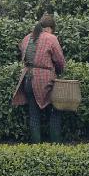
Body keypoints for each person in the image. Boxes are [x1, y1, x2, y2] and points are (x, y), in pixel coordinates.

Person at [11, 13, 66, 143]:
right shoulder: (51, 38)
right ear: (50, 28)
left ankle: (37, 147)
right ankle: (56, 146)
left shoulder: (27, 38)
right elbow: (60, 61)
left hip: (27, 79)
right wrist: (59, 71)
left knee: (34, 114)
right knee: (55, 111)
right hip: (44, 80)